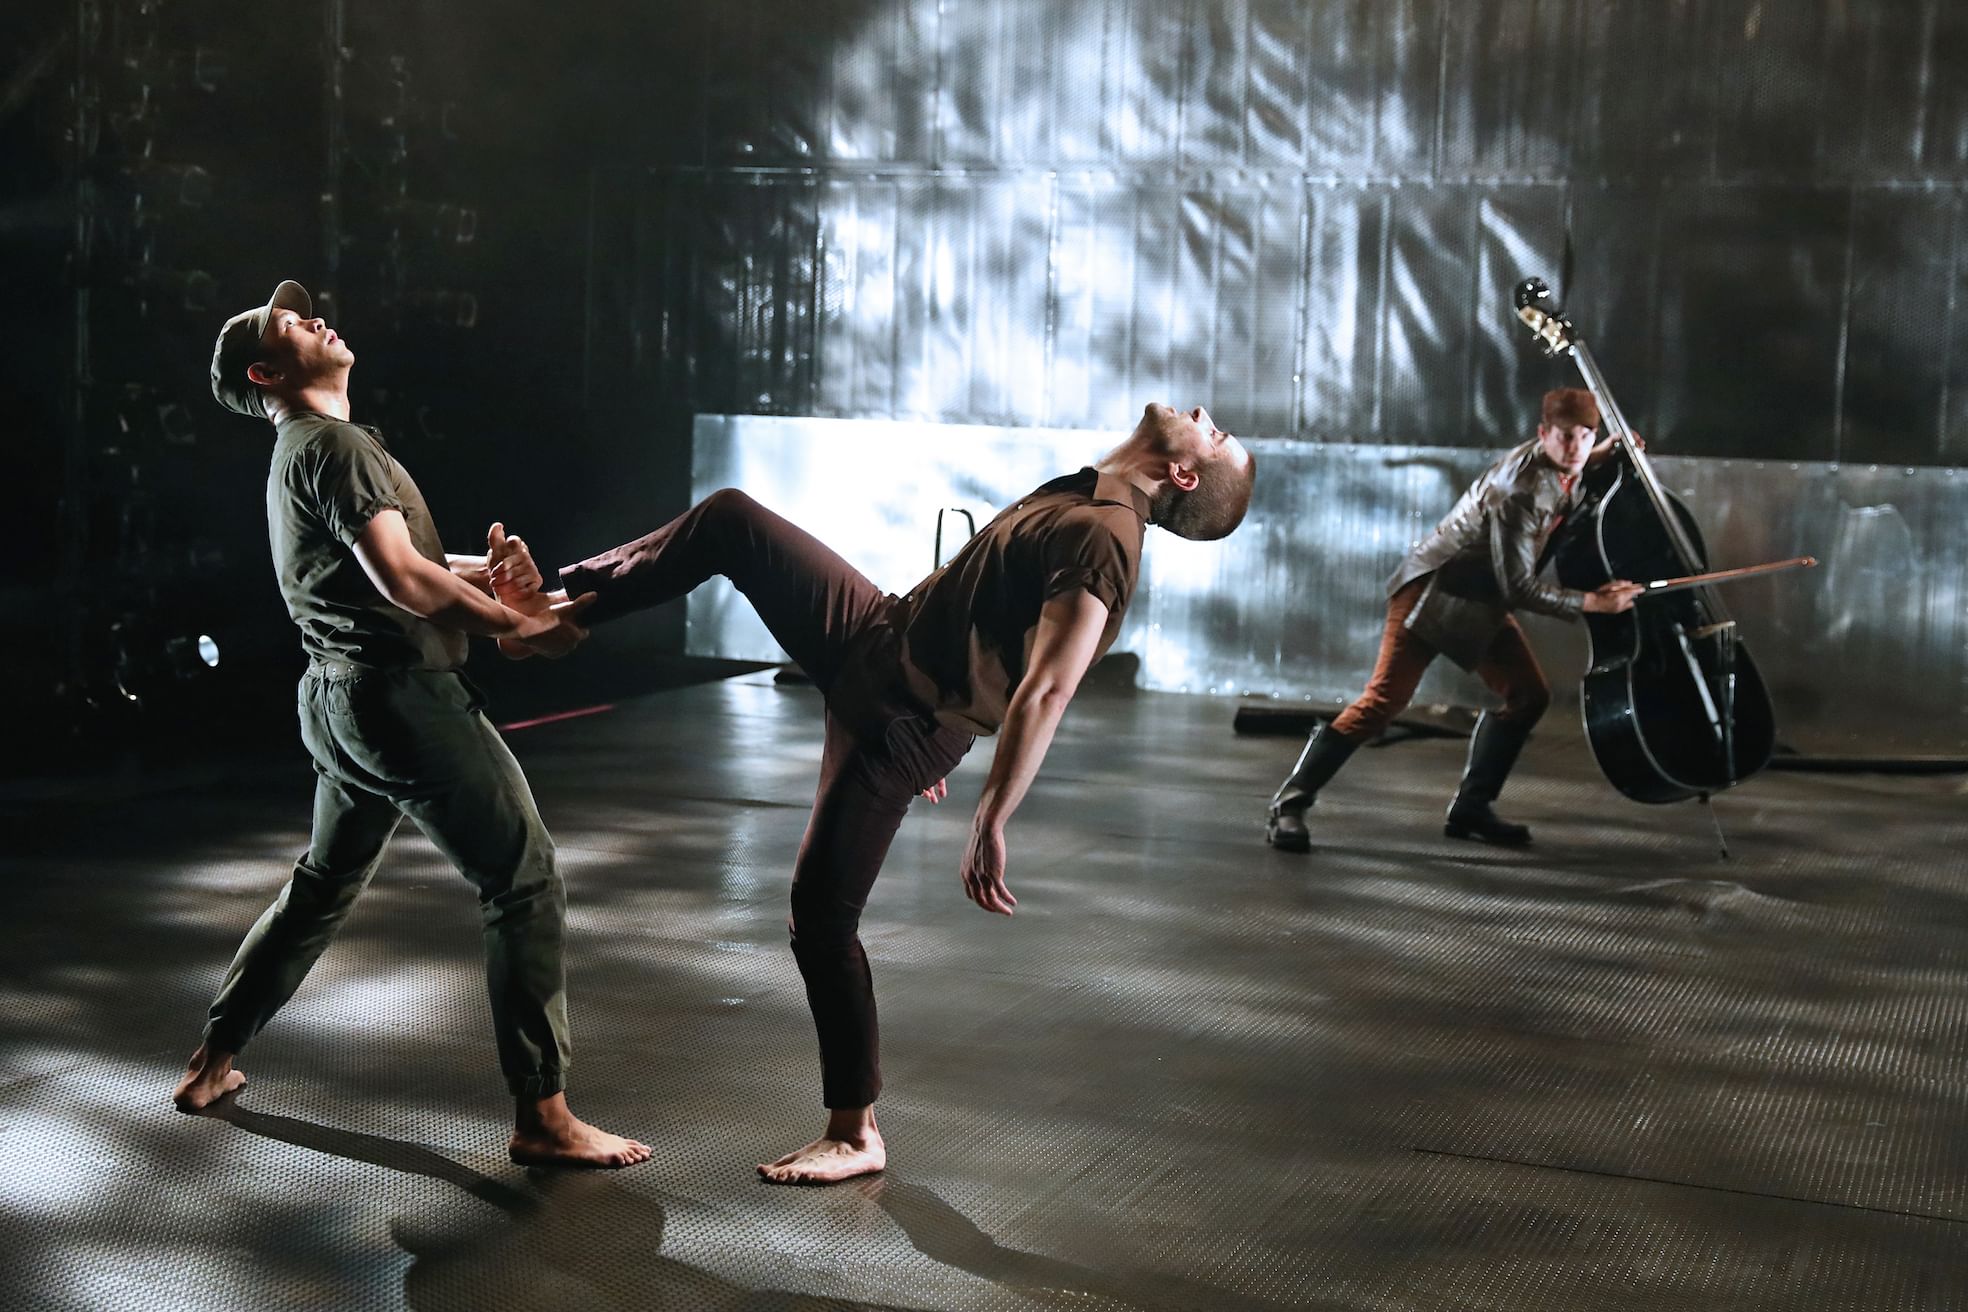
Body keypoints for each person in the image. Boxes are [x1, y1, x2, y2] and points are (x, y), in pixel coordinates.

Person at [496, 403, 1256, 1183]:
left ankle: (856, 1131)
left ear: (1184, 473)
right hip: (878, 637)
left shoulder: (1104, 539)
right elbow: (985, 605)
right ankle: (564, 617)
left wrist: (990, 809)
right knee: (732, 520)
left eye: (1216, 431)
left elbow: (1049, 687)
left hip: (900, 716)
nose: (1203, 413)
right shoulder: (1090, 494)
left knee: (820, 920)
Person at [173, 280, 651, 1170]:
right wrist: (521, 622)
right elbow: (403, 583)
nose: (317, 316)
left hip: (336, 700)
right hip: (400, 702)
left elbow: (402, 564)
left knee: (323, 884)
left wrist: (491, 574)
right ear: (267, 370)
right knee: (524, 878)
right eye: (292, 322)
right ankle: (542, 1116)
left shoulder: (305, 452)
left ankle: (212, 1061)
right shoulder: (339, 445)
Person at [1264, 387, 1643, 852]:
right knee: (1382, 703)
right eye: (1565, 437)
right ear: (1544, 434)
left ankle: (1471, 809)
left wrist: (1604, 454)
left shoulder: (1566, 461)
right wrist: (1593, 604)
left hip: (1478, 597)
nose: (1575, 447)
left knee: (1528, 695)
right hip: (1433, 589)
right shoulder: (1520, 491)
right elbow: (1518, 587)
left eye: (1586, 437)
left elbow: (1569, 475)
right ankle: (1290, 804)